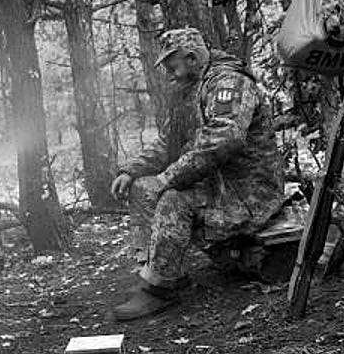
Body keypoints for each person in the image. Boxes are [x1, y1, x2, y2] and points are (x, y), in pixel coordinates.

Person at [110, 28, 284, 321]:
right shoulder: (193, 90)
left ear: (191, 58)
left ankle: (160, 292)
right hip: (218, 185)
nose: (170, 75)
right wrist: (131, 170)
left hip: (248, 192)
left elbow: (224, 139)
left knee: (173, 199)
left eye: (172, 66)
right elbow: (169, 142)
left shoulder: (229, 82)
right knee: (140, 188)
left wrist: (168, 178)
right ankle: (160, 272)